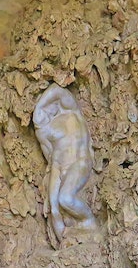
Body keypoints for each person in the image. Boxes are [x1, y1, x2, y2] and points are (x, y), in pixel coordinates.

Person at [33, 84, 96, 246]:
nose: (46, 113)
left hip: (79, 162)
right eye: (41, 115)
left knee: (66, 199)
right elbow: (50, 156)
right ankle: (64, 242)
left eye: (45, 109)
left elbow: (56, 89)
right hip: (58, 165)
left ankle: (90, 223)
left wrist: (39, 105)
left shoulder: (70, 111)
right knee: (54, 208)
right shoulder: (43, 131)